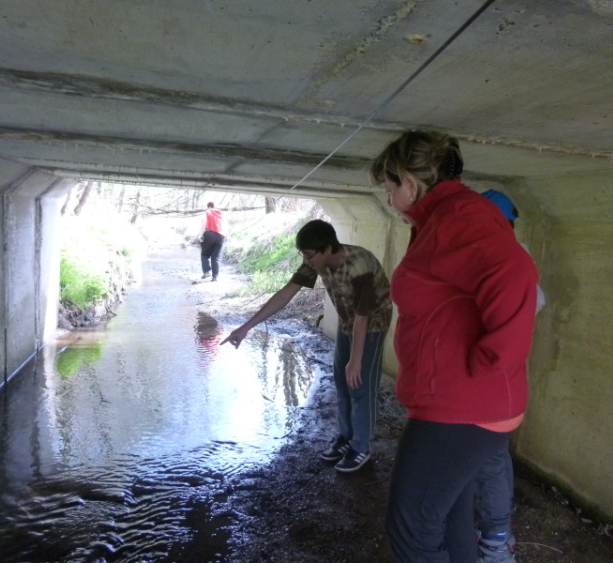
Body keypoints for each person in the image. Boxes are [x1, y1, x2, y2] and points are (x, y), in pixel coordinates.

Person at [370, 131, 538, 562]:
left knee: (412, 528)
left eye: (389, 188)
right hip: (459, 401)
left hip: (461, 405)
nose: (389, 199)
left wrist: (490, 362)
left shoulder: (458, 216)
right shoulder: (439, 219)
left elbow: (515, 272)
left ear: (410, 182)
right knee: (448, 517)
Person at [221, 219, 392, 473]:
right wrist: (245, 327)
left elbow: (363, 317)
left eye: (309, 255)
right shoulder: (316, 261)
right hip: (348, 321)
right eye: (303, 255)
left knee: (359, 385)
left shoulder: (360, 265)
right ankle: (346, 438)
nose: (306, 260)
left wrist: (355, 360)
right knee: (341, 381)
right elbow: (286, 293)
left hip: (372, 324)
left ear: (327, 248)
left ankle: (361, 447)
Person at [472, 189, 546, 563]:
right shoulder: (506, 259)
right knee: (487, 461)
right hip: (491, 387)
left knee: (490, 463)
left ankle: (496, 543)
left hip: (493, 388)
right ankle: (492, 534)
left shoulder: (509, 262)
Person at [200, 202, 225, 281]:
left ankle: (206, 271)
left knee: (204, 255)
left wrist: (201, 235)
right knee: (216, 257)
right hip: (221, 236)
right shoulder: (221, 213)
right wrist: (227, 236)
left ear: (209, 207)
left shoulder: (208, 212)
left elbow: (204, 223)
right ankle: (215, 277)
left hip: (209, 234)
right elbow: (225, 225)